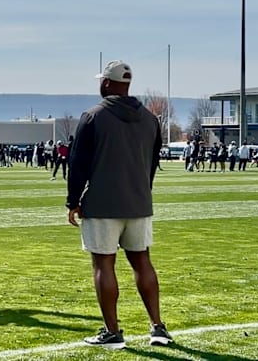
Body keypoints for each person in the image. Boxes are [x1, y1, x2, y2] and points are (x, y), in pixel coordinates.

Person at [66, 60, 171, 348]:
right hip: (138, 202)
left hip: (102, 203)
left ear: (108, 84)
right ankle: (157, 327)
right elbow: (152, 165)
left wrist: (73, 201)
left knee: (103, 265)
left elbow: (78, 164)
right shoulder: (151, 120)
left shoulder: (93, 116)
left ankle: (112, 332)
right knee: (142, 261)